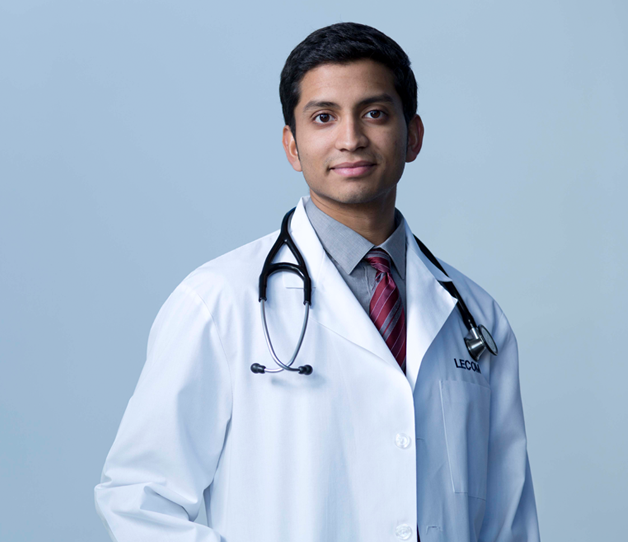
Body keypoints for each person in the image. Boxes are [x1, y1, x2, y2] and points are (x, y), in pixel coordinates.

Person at [94, 22, 540, 542]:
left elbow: (508, 522)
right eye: (323, 117)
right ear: (292, 145)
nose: (350, 139)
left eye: (374, 113)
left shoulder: (476, 318)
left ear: (412, 135)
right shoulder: (217, 302)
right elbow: (137, 498)